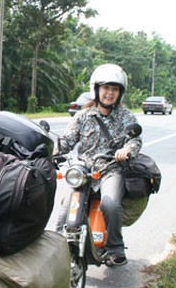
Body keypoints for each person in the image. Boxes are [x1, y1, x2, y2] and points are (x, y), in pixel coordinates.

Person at [57, 63, 142, 266]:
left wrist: (127, 150)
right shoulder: (83, 116)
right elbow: (67, 140)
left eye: (114, 89)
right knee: (65, 210)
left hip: (110, 169)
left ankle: (115, 247)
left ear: (120, 93)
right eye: (105, 88)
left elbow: (135, 140)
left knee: (110, 204)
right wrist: (53, 151)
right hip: (84, 170)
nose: (109, 93)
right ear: (96, 89)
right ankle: (56, 250)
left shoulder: (126, 116)